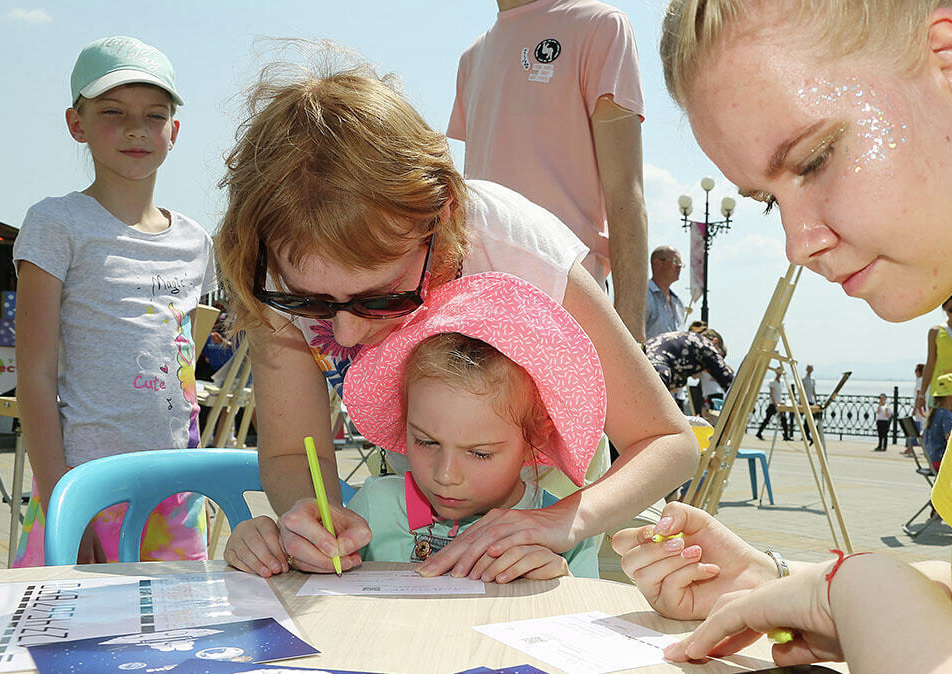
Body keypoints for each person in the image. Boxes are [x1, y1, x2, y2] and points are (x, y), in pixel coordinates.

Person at [614, 0, 952, 670]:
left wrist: (853, 589)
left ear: (950, 67)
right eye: (768, 199)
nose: (798, 244)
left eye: (815, 160)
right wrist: (782, 586)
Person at [214, 42, 697, 579]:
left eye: (383, 295)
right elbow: (292, 454)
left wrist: (559, 520)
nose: (345, 334)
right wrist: (317, 522)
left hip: (555, 511)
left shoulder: (516, 249)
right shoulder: (274, 262)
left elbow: (666, 442)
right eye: (313, 302)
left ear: (441, 218)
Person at [227, 273, 600, 580]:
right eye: (426, 442)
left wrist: (558, 587)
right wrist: (266, 549)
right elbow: (309, 582)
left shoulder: (564, 533)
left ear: (534, 437)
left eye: (480, 453)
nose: (446, 475)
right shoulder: (374, 507)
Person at [12, 36, 215, 566]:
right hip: (84, 487)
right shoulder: (55, 224)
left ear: (174, 130)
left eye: (154, 114)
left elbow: (182, 367)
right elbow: (34, 374)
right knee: (66, 637)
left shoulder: (196, 240)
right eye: (112, 111)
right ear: (76, 123)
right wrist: (63, 501)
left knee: (175, 635)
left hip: (175, 494)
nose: (135, 128)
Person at [448, 0, 649, 342]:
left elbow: (625, 195)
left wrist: (631, 338)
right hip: (482, 314)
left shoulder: (601, 25)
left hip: (567, 306)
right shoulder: (472, 59)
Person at [643, 328, 733, 395]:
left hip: (642, 364)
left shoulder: (688, 340)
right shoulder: (705, 344)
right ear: (715, 342)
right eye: (721, 356)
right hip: (658, 370)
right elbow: (727, 380)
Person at [646, 245, 687, 338]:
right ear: (657, 264)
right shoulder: (644, 297)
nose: (679, 266)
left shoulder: (678, 303)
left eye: (680, 262)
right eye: (675, 261)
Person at [923, 373, 952, 472]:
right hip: (941, 464)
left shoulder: (933, 413)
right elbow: (951, 443)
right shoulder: (947, 416)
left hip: (932, 461)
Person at [753, 368, 790, 442]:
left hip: (779, 403)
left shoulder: (781, 382)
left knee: (783, 419)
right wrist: (774, 403)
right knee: (767, 419)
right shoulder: (772, 382)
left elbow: (779, 394)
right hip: (773, 404)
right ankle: (759, 432)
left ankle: (786, 435)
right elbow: (771, 393)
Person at [902, 362, 925, 457]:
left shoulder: (920, 381)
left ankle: (910, 448)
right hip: (923, 407)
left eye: (916, 370)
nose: (915, 372)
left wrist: (916, 408)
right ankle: (921, 447)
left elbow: (919, 395)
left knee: (916, 428)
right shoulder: (922, 380)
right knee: (923, 428)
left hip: (921, 408)